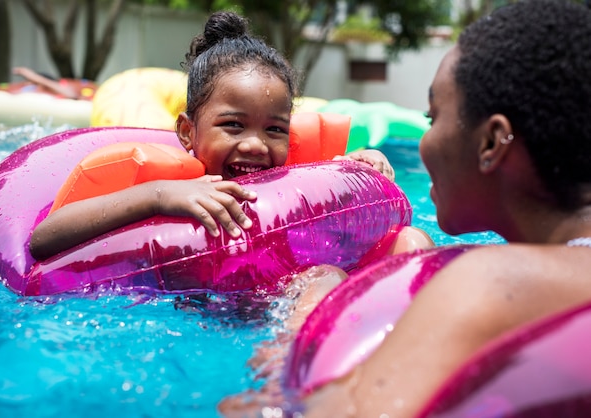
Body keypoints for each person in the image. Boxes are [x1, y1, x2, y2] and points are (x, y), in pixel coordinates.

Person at [219, 0, 591, 417]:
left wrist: (298, 328)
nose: (423, 143)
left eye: (432, 119)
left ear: (490, 143)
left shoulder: (488, 282)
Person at [29, 11, 430, 261]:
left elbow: (327, 181)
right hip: (192, 308)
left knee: (413, 241)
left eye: (275, 129)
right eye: (233, 125)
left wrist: (358, 164)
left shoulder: (291, 174)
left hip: (273, 291)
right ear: (188, 132)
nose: (256, 145)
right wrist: (161, 195)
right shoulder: (163, 186)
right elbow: (43, 240)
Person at [12, 66, 86, 100]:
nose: (29, 86)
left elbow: (72, 95)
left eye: (34, 85)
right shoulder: (26, 93)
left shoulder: (53, 96)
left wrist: (36, 78)